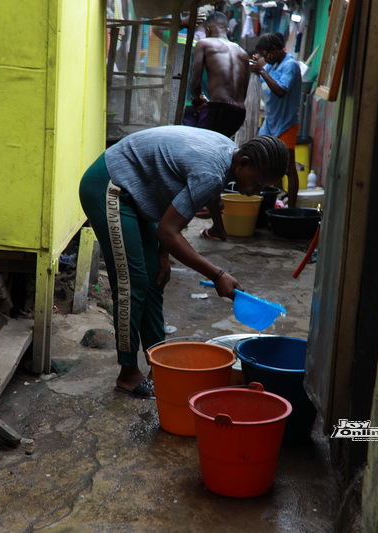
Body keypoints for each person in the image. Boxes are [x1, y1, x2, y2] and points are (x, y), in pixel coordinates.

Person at [79, 126, 288, 398]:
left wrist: (163, 253)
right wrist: (217, 275)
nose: (256, 191)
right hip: (111, 186)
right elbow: (168, 231)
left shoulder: (230, 153)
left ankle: (158, 364)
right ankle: (128, 374)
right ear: (245, 163)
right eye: (257, 184)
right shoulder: (211, 173)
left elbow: (174, 211)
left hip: (138, 191)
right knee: (132, 282)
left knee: (155, 277)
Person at [189, 11, 250, 241]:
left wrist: (197, 100)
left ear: (209, 29)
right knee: (222, 159)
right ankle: (213, 202)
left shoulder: (204, 43)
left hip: (218, 107)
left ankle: (218, 225)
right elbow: (242, 91)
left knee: (207, 163)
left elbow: (195, 81)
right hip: (238, 110)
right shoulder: (243, 52)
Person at [249, 32, 302, 208]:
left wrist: (262, 71)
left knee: (288, 168)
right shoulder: (273, 64)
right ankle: (275, 201)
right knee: (266, 162)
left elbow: (280, 91)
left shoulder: (290, 66)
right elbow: (259, 63)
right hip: (270, 124)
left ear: (273, 51)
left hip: (286, 124)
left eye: (265, 54)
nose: (264, 58)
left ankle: (291, 209)